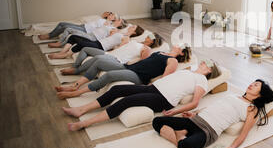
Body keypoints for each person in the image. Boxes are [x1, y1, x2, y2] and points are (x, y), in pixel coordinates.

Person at [62, 59, 221, 131]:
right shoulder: (190, 71)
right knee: (118, 90)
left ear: (209, 71)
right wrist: (152, 84)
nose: (204, 62)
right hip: (154, 88)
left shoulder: (202, 80)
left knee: (128, 101)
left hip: (163, 99)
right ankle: (81, 109)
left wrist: (176, 111)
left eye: (208, 64)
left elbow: (194, 103)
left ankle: (85, 123)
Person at [152, 79, 273, 148]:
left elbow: (243, 134)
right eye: (253, 82)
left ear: (260, 94)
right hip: (195, 120)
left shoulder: (252, 109)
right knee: (157, 121)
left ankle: (181, 135)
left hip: (208, 131)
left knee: (184, 147)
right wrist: (194, 113)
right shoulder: (234, 95)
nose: (251, 84)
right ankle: (181, 135)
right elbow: (213, 107)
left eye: (256, 85)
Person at [55, 45, 192, 99]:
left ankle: (77, 92)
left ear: (181, 52)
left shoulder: (172, 61)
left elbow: (165, 78)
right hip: (129, 67)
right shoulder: (163, 52)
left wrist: (149, 87)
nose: (177, 45)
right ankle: (75, 85)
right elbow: (146, 60)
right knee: (98, 62)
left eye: (180, 46)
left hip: (138, 76)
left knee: (109, 75)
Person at [47, 25, 143, 60]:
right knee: (73, 37)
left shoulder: (126, 38)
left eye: (133, 27)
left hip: (100, 46)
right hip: (98, 42)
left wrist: (109, 53)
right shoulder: (122, 33)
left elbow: (120, 48)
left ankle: (65, 55)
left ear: (134, 32)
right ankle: (62, 52)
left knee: (81, 44)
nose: (131, 26)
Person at [48, 18, 125, 48]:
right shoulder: (109, 24)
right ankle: (60, 42)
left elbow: (110, 38)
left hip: (93, 38)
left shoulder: (114, 29)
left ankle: (60, 43)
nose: (117, 19)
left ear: (120, 24)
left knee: (70, 31)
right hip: (90, 34)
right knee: (68, 29)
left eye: (119, 20)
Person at [38, 12, 119, 40]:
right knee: (61, 23)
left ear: (113, 19)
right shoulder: (102, 19)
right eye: (111, 14)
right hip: (83, 26)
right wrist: (104, 16)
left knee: (65, 27)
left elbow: (100, 30)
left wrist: (109, 22)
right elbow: (101, 18)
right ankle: (51, 34)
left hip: (85, 30)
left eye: (113, 15)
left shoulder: (107, 24)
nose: (110, 14)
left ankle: (49, 36)